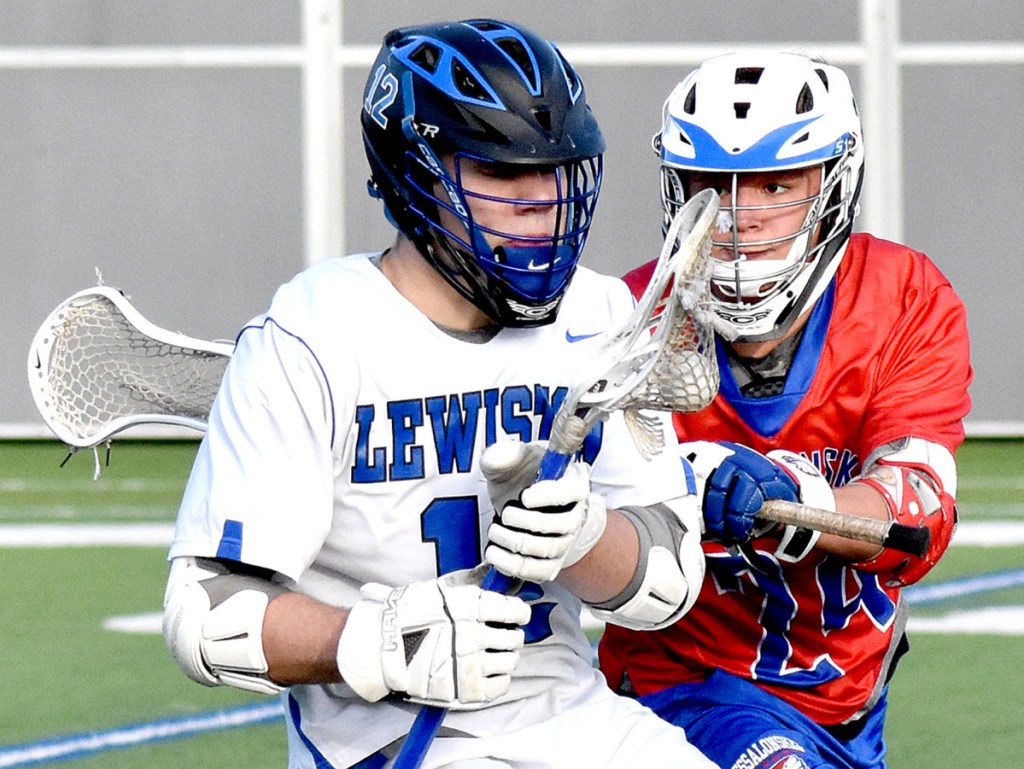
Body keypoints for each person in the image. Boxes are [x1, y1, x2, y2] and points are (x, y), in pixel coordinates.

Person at [161, 18, 718, 769]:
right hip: (385, 740)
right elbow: (203, 616)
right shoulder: (313, 336)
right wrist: (379, 640)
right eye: (498, 172)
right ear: (415, 174)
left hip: (575, 720)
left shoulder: (599, 316)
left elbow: (667, 583)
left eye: (554, 171)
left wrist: (585, 537)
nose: (540, 202)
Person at [599, 51, 972, 769]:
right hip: (682, 687)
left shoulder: (903, 298)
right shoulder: (628, 320)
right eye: (715, 187)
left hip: (845, 702)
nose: (741, 218)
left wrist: (801, 500)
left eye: (776, 185)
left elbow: (916, 515)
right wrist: (669, 495)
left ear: (833, 187)